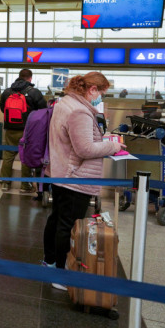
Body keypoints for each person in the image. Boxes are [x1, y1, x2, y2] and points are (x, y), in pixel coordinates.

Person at [42, 72, 123, 290]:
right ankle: (60, 275)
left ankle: (49, 263)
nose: (101, 98)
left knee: (57, 219)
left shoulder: (65, 103)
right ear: (92, 89)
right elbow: (85, 148)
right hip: (75, 176)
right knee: (67, 225)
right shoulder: (80, 111)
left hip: (60, 171)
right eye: (101, 92)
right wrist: (113, 146)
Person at [0, 69, 47, 192]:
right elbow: (43, 111)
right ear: (30, 78)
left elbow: (2, 108)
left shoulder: (7, 92)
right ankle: (25, 186)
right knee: (25, 156)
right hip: (28, 130)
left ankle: (5, 183)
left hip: (10, 128)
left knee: (8, 155)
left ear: (19, 77)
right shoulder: (34, 92)